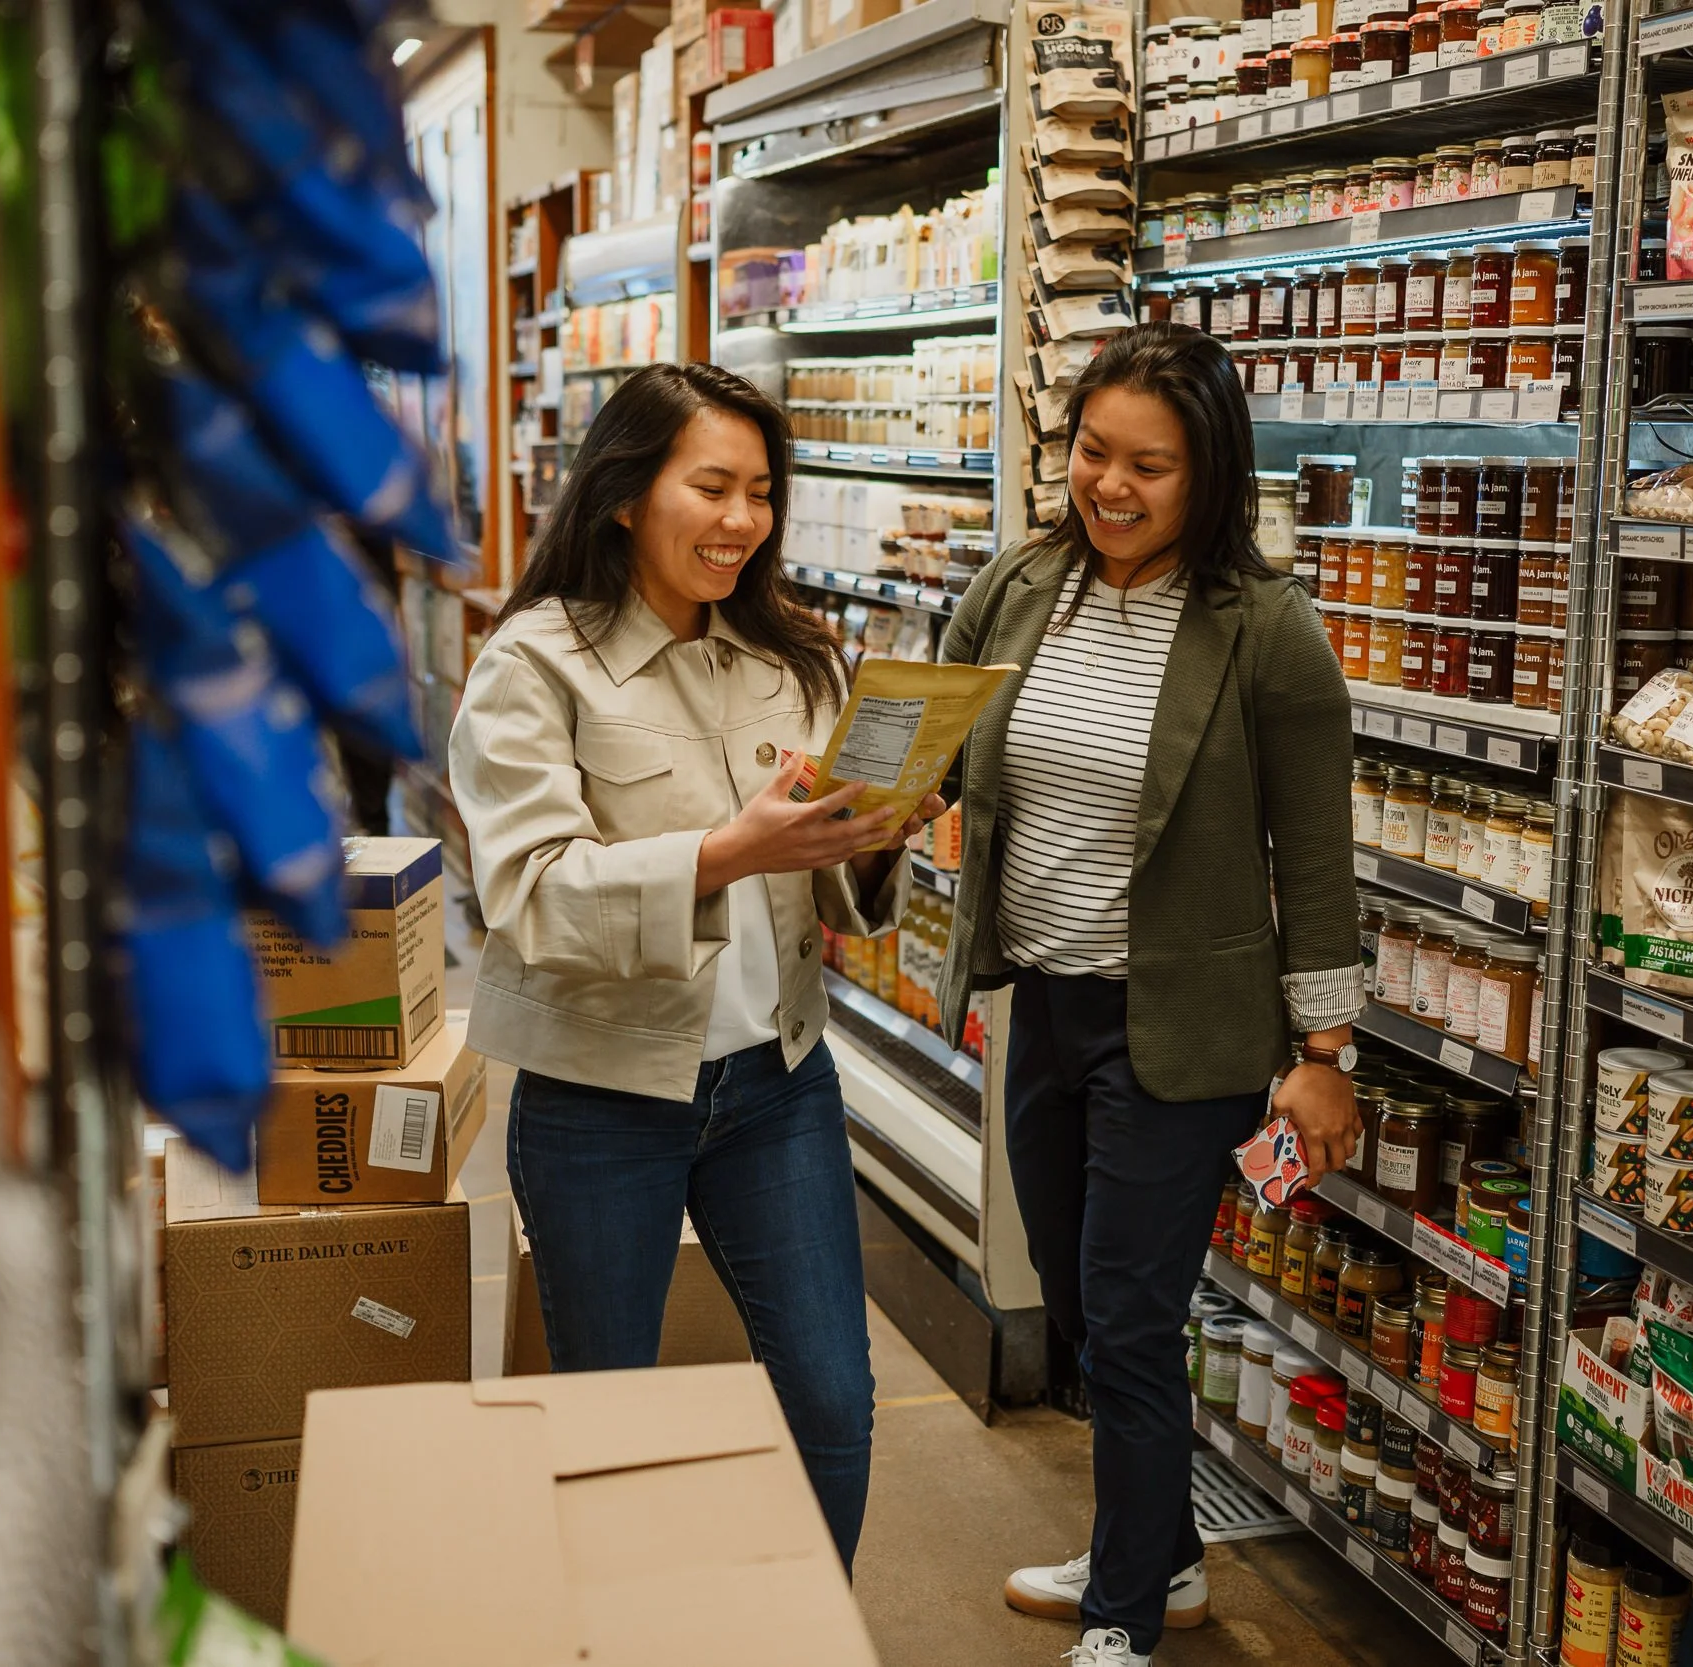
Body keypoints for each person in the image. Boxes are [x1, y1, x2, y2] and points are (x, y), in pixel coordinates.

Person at [447, 362, 941, 1571]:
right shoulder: (533, 664)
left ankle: (800, 1634)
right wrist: (726, 851)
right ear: (625, 494)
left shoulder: (792, 655)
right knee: (610, 1416)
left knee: (830, 1398)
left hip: (777, 1083)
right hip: (598, 1094)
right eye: (711, 486)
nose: (742, 520)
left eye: (760, 491)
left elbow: (826, 886)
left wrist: (878, 834)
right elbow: (530, 893)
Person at [933, 322, 1364, 1667]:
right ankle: (1164, 1553)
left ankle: (1123, 1610)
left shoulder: (1266, 630)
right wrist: (852, 793)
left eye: (1149, 466)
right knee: (1074, 1296)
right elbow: (932, 748)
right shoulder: (1019, 587)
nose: (1108, 486)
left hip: (1178, 1028)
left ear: (1210, 472)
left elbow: (1317, 853)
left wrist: (1326, 1049)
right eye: (1091, 452)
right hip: (1042, 1003)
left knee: (1127, 1315)